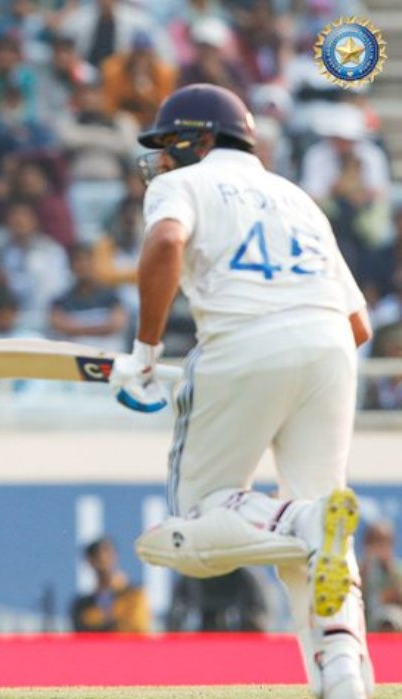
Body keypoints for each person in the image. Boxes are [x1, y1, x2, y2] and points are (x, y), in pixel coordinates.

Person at [110, 84, 374, 698]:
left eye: (170, 144)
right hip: (332, 348)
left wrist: (145, 355)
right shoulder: (298, 197)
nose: (162, 159)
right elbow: (359, 324)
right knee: (320, 541)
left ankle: (302, 518)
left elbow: (166, 243)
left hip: (243, 338)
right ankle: (342, 673)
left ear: (202, 139)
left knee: (195, 519)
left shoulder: (185, 183)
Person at [71, 536, 150, 633]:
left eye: (108, 554)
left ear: (115, 557)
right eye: (98, 556)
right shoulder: (82, 606)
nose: (103, 560)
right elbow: (82, 633)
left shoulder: (134, 596)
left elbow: (137, 629)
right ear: (89, 561)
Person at [359, 521, 402, 632]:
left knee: (388, 618)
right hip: (365, 624)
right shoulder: (357, 571)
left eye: (384, 543)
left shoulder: (397, 570)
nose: (379, 548)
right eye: (374, 542)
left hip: (392, 624)